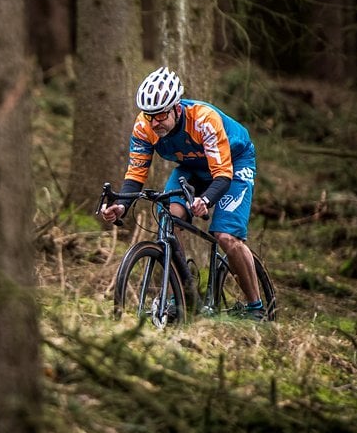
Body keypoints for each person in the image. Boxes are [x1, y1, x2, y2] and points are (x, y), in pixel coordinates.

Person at [99, 66, 265, 320]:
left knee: (225, 235)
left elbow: (221, 174)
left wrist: (206, 199)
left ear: (177, 108)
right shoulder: (144, 127)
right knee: (170, 218)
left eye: (161, 115)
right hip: (192, 166)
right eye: (149, 115)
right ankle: (180, 295)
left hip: (234, 162)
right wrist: (122, 205)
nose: (155, 123)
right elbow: (135, 174)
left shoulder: (203, 119)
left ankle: (256, 308)